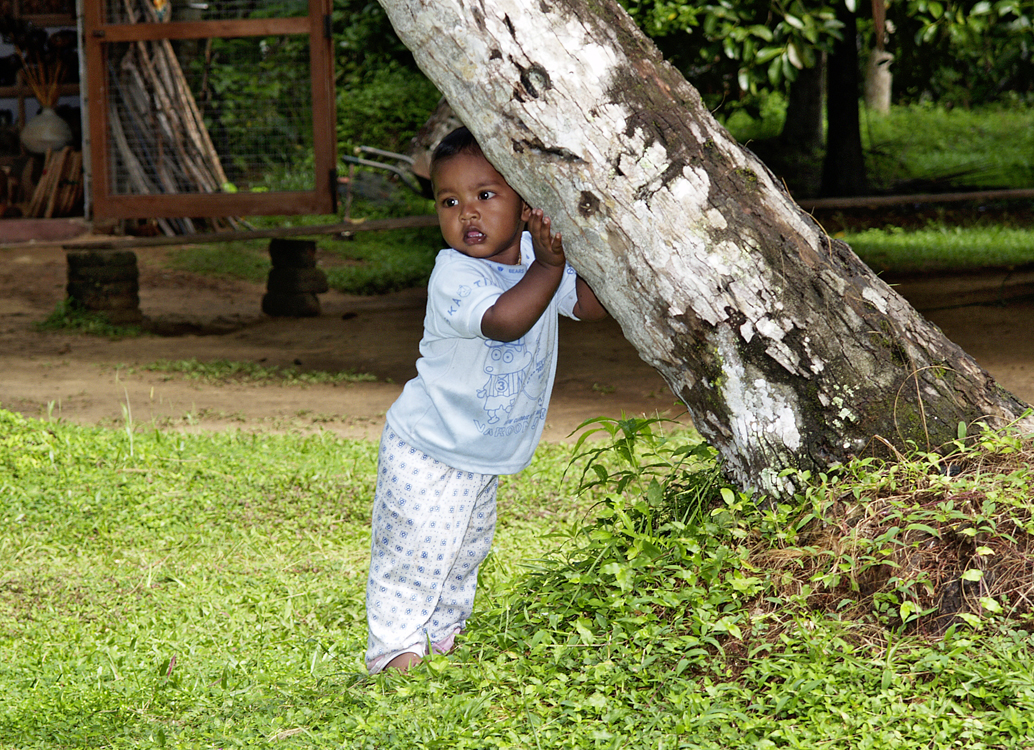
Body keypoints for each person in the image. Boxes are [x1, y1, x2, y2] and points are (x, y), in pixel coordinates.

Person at [364, 126, 607, 674]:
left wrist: (584, 246)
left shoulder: (532, 262)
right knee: (413, 552)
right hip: (428, 445)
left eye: (485, 195)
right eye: (449, 201)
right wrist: (548, 266)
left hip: (479, 451)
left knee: (461, 550)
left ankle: (442, 638)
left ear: (525, 204)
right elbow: (503, 323)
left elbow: (590, 306)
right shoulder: (456, 272)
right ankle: (394, 653)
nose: (467, 214)